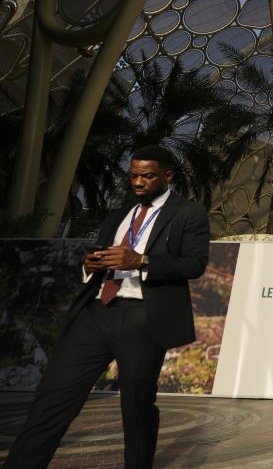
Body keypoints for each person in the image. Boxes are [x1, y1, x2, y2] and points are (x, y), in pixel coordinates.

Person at [5, 145, 209, 469]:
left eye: (147, 176)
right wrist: (90, 265)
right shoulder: (118, 216)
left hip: (143, 316)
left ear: (167, 176)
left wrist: (141, 260)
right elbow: (97, 261)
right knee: (53, 396)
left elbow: (195, 264)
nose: (138, 182)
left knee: (137, 406)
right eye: (133, 176)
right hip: (98, 310)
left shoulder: (188, 213)